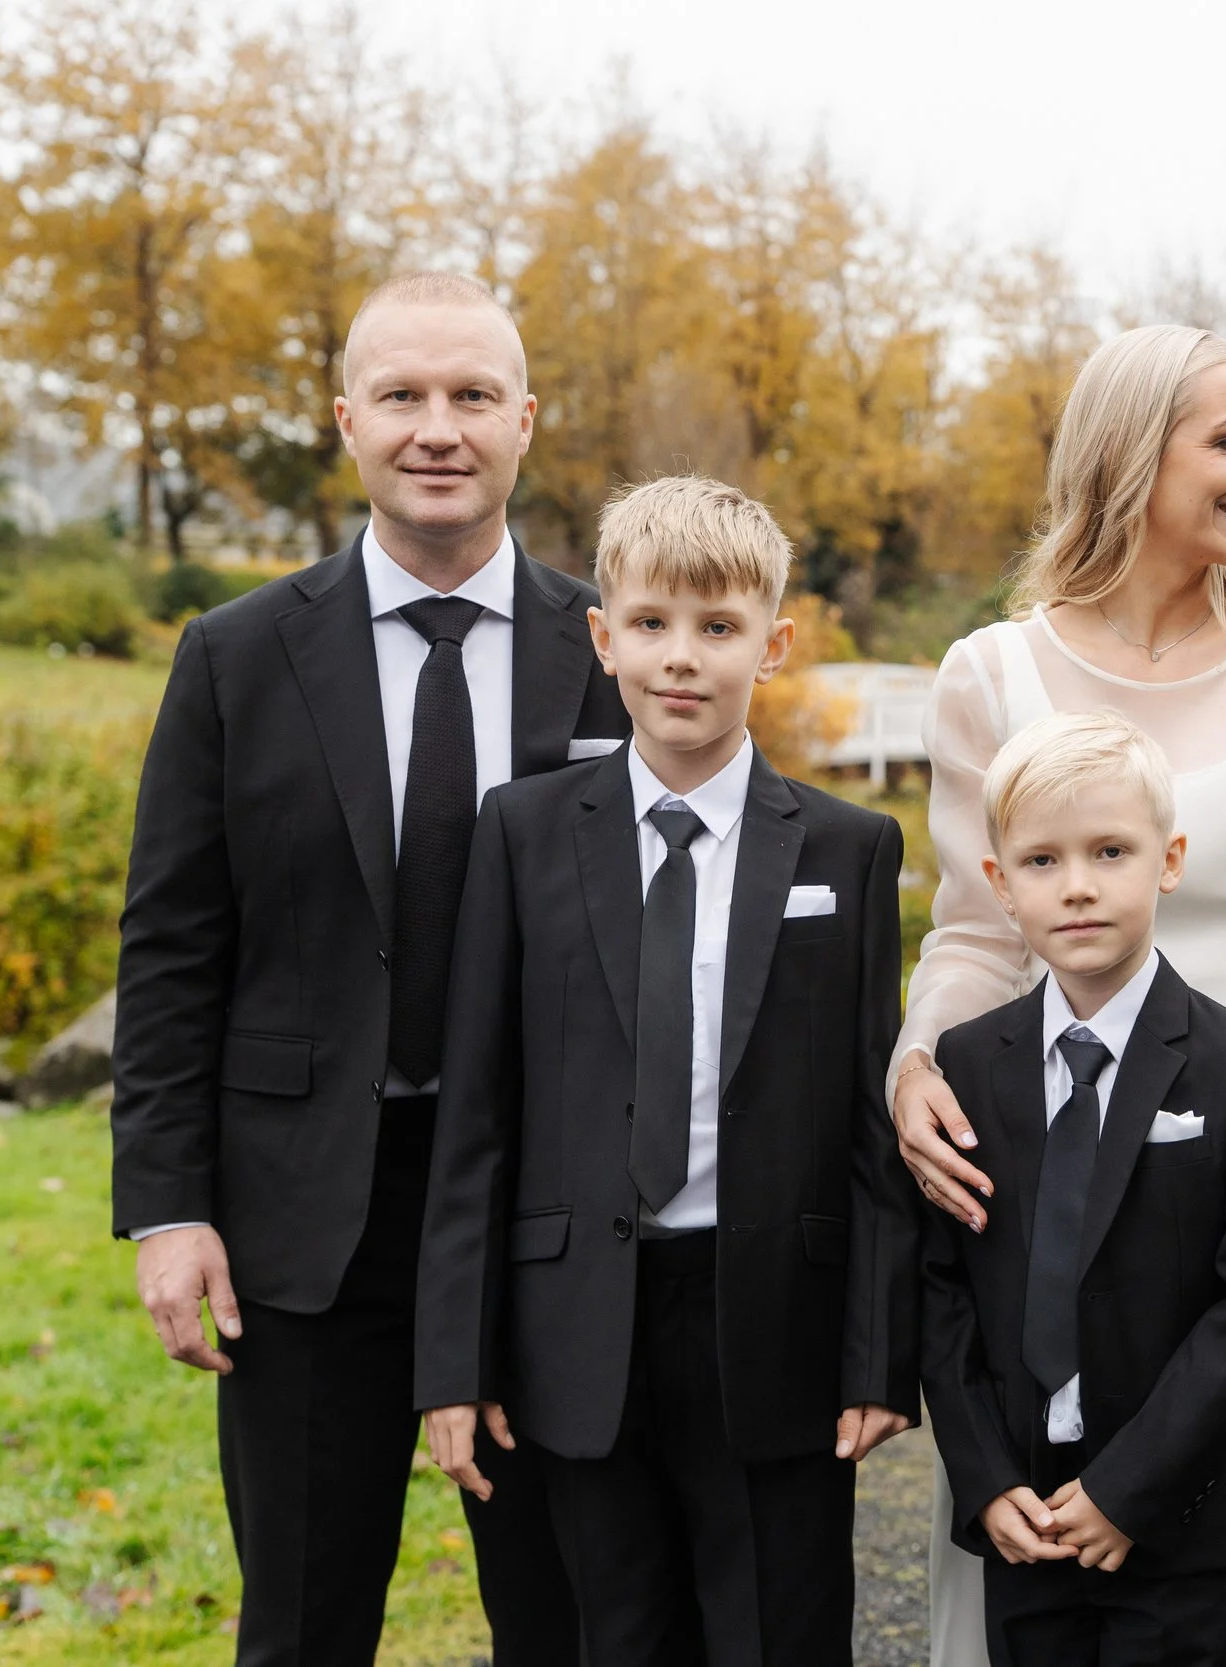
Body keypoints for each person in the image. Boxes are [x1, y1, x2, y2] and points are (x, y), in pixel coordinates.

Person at [894, 324, 1226, 1664]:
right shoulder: (990, 673)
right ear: (1134, 456)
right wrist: (914, 1060)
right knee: (1025, 1534)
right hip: (1044, 1178)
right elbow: (972, 927)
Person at [110, 271, 612, 1666]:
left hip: (543, 1221)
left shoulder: (618, 654)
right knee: (303, 1624)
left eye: (469, 397)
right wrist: (167, 1206)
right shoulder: (236, 656)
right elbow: (170, 948)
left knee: (566, 1623)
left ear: (526, 419)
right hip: (302, 1221)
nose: (435, 427)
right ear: (348, 421)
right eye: (402, 395)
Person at [414, 474, 918, 1667]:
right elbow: (475, 1112)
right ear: (603, 636)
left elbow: (865, 1117)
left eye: (717, 627)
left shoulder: (848, 849)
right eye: (649, 624)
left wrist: (876, 1351)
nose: (680, 658)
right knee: (610, 1630)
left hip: (771, 1326)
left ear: (774, 643)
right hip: (573, 1323)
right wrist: (454, 1358)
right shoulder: (522, 831)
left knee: (778, 1631)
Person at [919, 709, 1226, 1667]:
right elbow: (939, 1286)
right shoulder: (969, 1064)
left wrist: (1128, 1492)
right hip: (1026, 1512)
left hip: (1179, 1514)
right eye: (1043, 861)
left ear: (1168, 860)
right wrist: (982, 1478)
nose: (1080, 886)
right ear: (1000, 885)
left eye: (1110, 851)